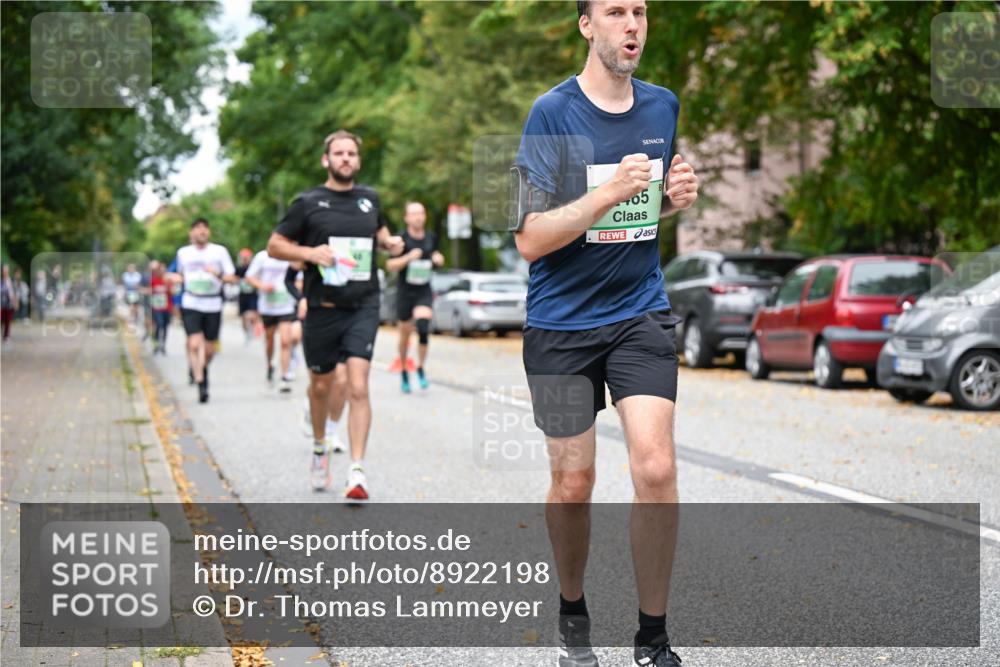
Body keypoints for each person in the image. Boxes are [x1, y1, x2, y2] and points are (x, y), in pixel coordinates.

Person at [513, 2, 700, 665]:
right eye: (616, 11)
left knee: (656, 464)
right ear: (587, 25)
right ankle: (572, 611)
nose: (633, 25)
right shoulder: (552, 114)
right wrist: (604, 194)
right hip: (560, 325)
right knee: (573, 482)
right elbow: (531, 239)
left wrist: (674, 197)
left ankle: (653, 636)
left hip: (640, 313)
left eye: (641, 11)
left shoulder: (662, 107)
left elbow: (646, 214)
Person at [267, 129, 404, 499]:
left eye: (351, 154)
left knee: (358, 385)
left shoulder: (369, 199)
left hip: (363, 305)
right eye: (339, 153)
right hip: (323, 310)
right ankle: (318, 445)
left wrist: (390, 243)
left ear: (358, 160)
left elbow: (380, 232)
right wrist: (311, 254)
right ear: (326, 160)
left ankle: (357, 471)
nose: (346, 159)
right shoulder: (308, 203)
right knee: (321, 386)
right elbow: (275, 245)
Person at [167, 218, 237, 403]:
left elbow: (232, 278)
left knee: (209, 350)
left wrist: (217, 273)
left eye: (205, 228)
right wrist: (174, 278)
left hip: (213, 303)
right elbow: (173, 273)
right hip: (191, 302)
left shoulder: (219, 252)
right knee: (194, 343)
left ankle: (198, 368)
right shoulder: (183, 253)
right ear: (191, 233)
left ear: (209, 232)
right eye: (197, 229)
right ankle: (201, 384)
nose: (202, 232)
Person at [385, 201, 445, 393]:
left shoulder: (431, 237)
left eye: (421, 213)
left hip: (423, 290)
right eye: (414, 214)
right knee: (404, 334)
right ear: (406, 218)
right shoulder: (401, 239)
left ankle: (420, 368)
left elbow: (436, 255)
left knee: (423, 327)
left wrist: (438, 259)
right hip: (405, 292)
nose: (418, 217)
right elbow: (390, 265)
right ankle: (403, 368)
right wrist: (408, 257)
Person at [244, 249, 297, 392]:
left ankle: (285, 376)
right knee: (270, 340)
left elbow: (299, 278)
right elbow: (249, 276)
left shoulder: (291, 255)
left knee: (286, 341)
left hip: (286, 305)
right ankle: (269, 364)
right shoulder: (262, 256)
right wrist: (262, 286)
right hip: (267, 306)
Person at [234, 248, 261, 344]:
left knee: (251, 315)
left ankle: (255, 329)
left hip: (253, 294)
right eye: (243, 258)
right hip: (242, 295)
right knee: (243, 317)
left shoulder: (254, 268)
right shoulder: (238, 269)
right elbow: (233, 279)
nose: (245, 260)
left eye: (247, 258)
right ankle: (247, 332)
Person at [149, 261, 172, 355]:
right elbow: (150, 290)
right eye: (160, 270)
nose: (162, 271)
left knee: (166, 326)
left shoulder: (169, 280)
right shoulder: (153, 280)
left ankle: (163, 344)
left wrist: (169, 288)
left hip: (167, 307)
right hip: (157, 307)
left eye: (164, 270)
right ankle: (156, 343)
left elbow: (174, 292)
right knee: (159, 324)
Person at [1, 265, 19, 344]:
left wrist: (15, 302)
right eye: (4, 270)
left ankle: (6, 336)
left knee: (8, 321)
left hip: (8, 304)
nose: (5, 272)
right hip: (1, 303)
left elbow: (14, 292)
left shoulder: (11, 280)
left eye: (6, 270)